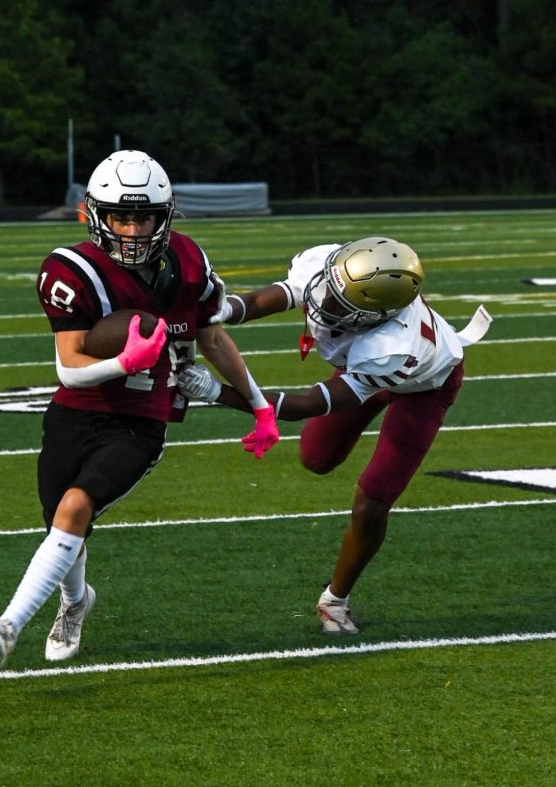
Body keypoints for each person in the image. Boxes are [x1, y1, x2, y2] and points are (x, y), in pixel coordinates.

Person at [0, 149, 279, 670]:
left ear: (166, 216)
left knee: (73, 509)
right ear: (96, 215)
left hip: (140, 420)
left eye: (144, 216)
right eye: (121, 216)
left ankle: (7, 628)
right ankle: (75, 602)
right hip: (76, 408)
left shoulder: (187, 261)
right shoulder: (71, 271)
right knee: (63, 527)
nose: (133, 229)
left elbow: (212, 337)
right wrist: (123, 360)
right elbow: (69, 368)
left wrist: (259, 405)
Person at [176, 235, 491, 635]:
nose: (325, 303)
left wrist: (216, 392)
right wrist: (216, 309)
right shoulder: (332, 266)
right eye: (331, 290)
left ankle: (336, 600)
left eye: (343, 305)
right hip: (367, 368)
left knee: (373, 499)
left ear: (377, 314)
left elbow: (309, 403)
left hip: (425, 385)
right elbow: (269, 298)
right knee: (316, 458)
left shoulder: (388, 347)